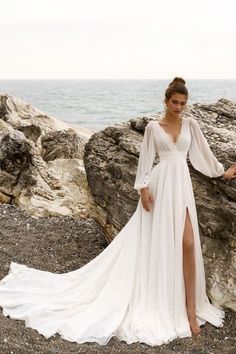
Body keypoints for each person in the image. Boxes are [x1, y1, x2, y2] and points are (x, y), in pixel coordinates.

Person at [0, 77, 235, 347]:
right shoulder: (153, 128)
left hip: (180, 186)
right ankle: (167, 303)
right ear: (166, 101)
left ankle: (191, 310)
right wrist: (143, 188)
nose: (179, 107)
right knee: (158, 243)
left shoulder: (191, 125)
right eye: (175, 102)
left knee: (188, 243)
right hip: (159, 188)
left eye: (183, 103)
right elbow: (146, 160)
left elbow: (201, 156)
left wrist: (221, 172)